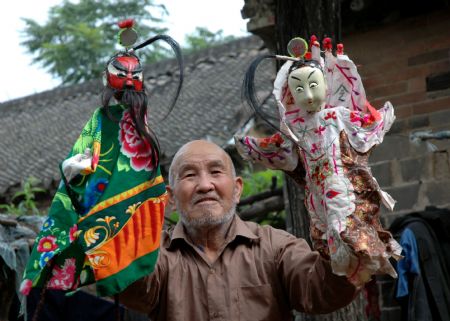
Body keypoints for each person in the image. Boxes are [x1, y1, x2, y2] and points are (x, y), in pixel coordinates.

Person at [20, 19, 184, 299]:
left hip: (132, 187)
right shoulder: (104, 119)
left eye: (135, 74)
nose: (130, 78)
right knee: (97, 236)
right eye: (122, 73)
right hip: (101, 187)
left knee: (134, 225)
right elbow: (80, 157)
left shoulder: (141, 122)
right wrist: (78, 167)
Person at [119, 139, 358, 321]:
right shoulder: (158, 256)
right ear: (170, 198)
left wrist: (343, 234)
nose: (205, 185)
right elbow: (131, 286)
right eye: (190, 175)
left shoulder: (274, 247)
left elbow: (322, 290)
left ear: (237, 189)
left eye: (215, 172)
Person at [235, 36, 402, 286]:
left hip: (338, 180)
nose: (308, 94)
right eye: (299, 89)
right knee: (322, 231)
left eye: (314, 85)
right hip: (315, 189)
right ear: (289, 94)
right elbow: (280, 148)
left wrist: (380, 118)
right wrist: (254, 147)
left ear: (326, 86)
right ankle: (349, 272)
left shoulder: (337, 115)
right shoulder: (292, 126)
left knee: (341, 223)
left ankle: (362, 264)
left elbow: (367, 123)